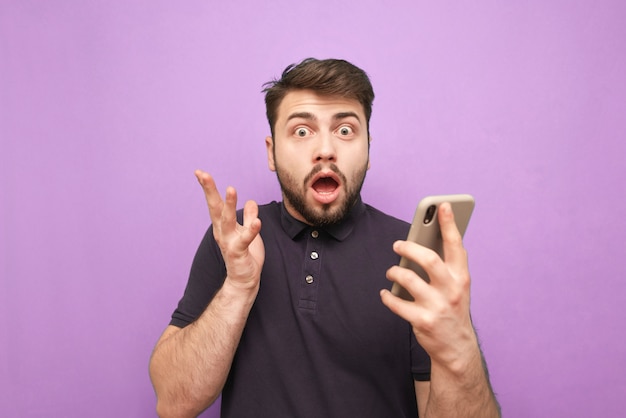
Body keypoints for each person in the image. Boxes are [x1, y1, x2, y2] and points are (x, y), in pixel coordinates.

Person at [149, 58, 501, 418]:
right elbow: (175, 403)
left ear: (368, 148)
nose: (326, 150)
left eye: (346, 130)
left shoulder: (412, 254)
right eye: (302, 131)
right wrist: (238, 287)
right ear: (271, 152)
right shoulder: (236, 239)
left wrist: (460, 350)